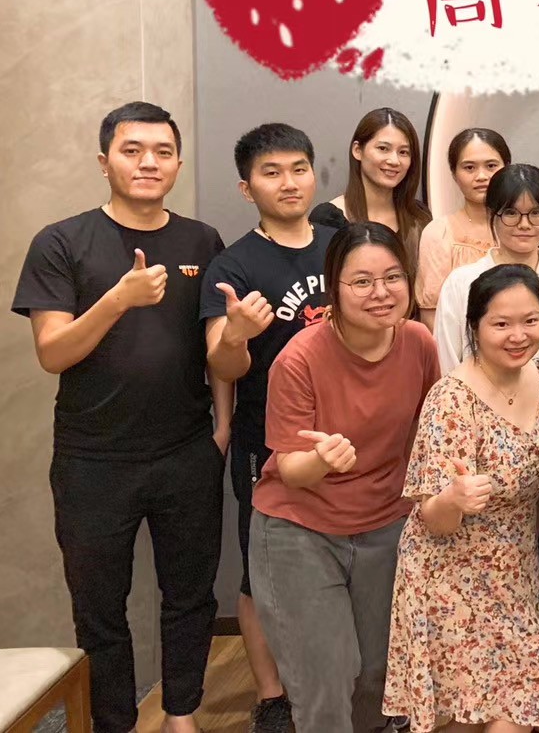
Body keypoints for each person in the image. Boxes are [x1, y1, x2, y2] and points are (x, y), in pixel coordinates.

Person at [12, 101, 224, 733]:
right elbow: (53, 353)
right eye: (132, 150)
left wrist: (220, 426)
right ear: (104, 161)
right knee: (100, 608)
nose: (148, 162)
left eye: (163, 151)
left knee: (190, 595)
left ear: (178, 163)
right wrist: (117, 300)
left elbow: (215, 344)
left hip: (186, 450)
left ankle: (181, 713)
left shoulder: (202, 240)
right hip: (92, 460)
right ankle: (116, 722)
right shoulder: (61, 241)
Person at [249, 223, 440, 733]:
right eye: (362, 281)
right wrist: (324, 460)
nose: (381, 293)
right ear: (333, 286)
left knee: (379, 676)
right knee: (325, 681)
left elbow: (428, 432)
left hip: (386, 524)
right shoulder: (299, 358)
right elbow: (292, 469)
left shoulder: (419, 342)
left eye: (393, 277)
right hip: (300, 531)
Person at [383, 265, 539, 731]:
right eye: (501, 323)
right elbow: (433, 518)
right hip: (450, 578)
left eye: (530, 321)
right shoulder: (451, 399)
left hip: (515, 573)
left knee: (526, 699)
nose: (518, 335)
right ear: (474, 326)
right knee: (466, 717)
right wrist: (454, 498)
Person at [200, 123, 334, 733]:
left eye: (298, 168)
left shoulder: (339, 244)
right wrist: (235, 335)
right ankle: (272, 696)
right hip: (267, 439)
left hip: (349, 436)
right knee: (262, 570)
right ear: (246, 186)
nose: (289, 182)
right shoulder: (232, 264)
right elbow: (223, 365)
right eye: (271, 172)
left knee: (353, 558)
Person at [435, 164, 539, 391]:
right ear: (491, 214)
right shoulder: (460, 284)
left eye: (536, 213)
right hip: (478, 409)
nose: (524, 224)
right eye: (511, 213)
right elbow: (449, 363)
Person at [310, 108, 432, 271]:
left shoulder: (419, 217)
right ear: (357, 150)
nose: (394, 160)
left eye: (403, 152)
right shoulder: (329, 219)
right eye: (383, 148)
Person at [415, 127, 510, 330]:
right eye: (469, 168)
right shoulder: (439, 233)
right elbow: (431, 317)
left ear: (507, 168)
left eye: (491, 166)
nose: (481, 176)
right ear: (454, 174)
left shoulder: (523, 227)